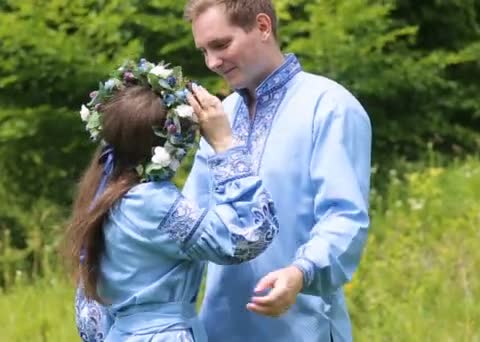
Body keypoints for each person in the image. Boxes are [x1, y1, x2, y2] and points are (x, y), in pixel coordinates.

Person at [182, 1, 372, 341]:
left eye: (222, 45)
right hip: (219, 329)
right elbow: (190, 221)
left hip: (302, 327)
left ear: (263, 26)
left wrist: (301, 273)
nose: (212, 62)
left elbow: (345, 218)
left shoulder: (329, 106)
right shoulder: (219, 114)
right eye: (204, 51)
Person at [65, 59, 279, 341]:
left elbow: (91, 316)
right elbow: (245, 235)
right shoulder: (150, 202)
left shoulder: (105, 193)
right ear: (171, 143)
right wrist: (225, 145)